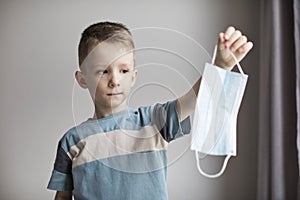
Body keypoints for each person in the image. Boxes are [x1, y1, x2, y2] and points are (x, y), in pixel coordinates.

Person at [47, 21, 253, 200]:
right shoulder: (71, 141)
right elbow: (63, 196)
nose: (115, 80)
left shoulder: (153, 121)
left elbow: (192, 101)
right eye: (103, 71)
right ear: (82, 79)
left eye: (124, 70)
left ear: (134, 76)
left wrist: (220, 67)